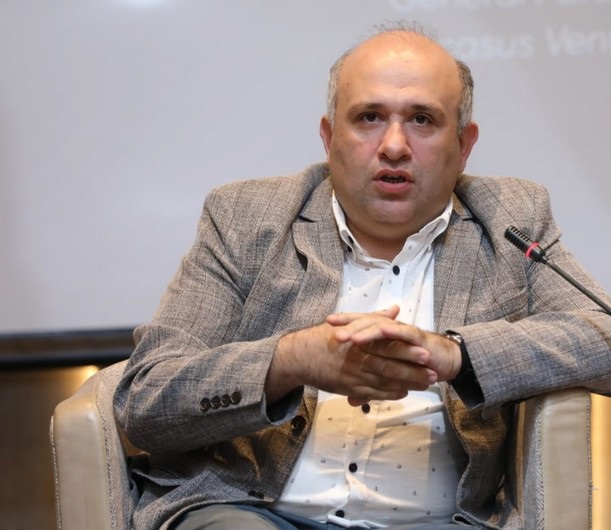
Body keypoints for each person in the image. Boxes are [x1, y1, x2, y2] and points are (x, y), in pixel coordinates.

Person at [113, 21, 611, 530]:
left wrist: (457, 355)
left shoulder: (510, 218)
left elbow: (606, 338)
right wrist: (290, 360)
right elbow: (147, 401)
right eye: (369, 117)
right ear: (329, 138)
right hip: (253, 510)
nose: (394, 146)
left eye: (421, 120)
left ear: (464, 146)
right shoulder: (245, 217)